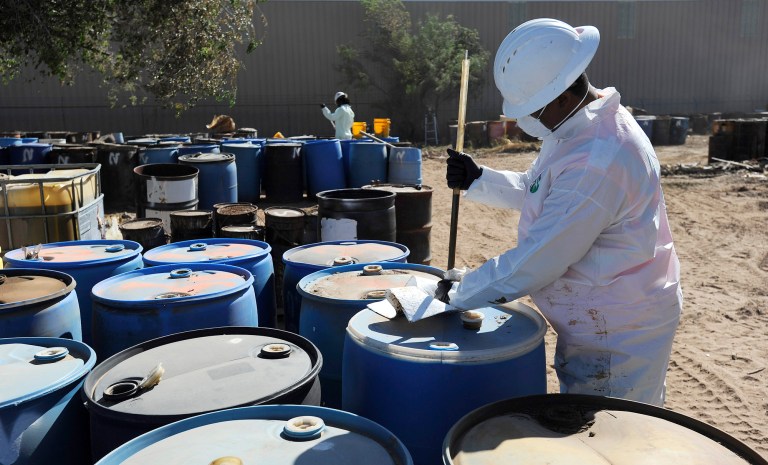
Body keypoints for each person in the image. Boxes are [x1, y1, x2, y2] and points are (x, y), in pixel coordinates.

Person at [444, 18, 682, 407]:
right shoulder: (577, 128)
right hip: (597, 316)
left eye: (533, 111)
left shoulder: (599, 158)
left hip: (617, 332)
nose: (527, 122)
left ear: (562, 98)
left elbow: (541, 258)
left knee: (611, 436)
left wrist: (459, 292)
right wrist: (479, 178)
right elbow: (542, 193)